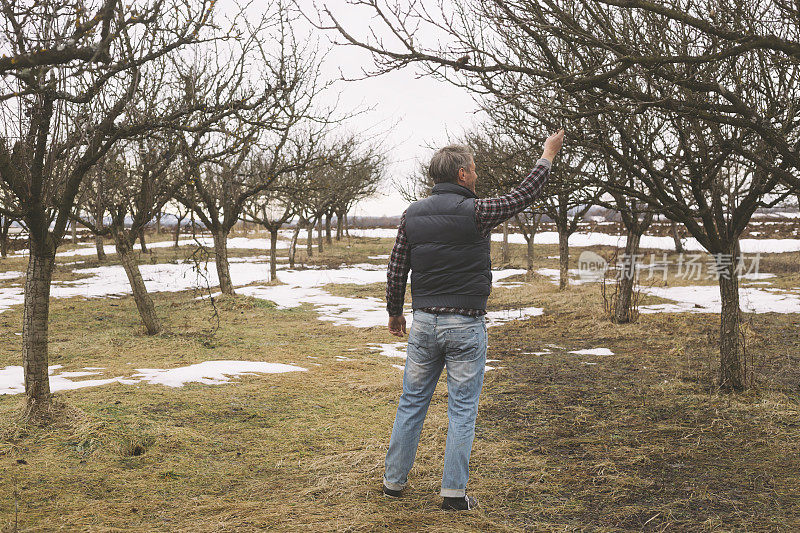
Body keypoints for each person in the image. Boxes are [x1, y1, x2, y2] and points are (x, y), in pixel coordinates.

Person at [382, 129, 565, 511]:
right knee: (462, 409)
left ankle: (393, 483)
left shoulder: (411, 215)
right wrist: (547, 154)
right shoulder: (476, 212)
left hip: (425, 324)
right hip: (465, 324)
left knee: (411, 403)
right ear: (462, 175)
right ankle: (453, 494)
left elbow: (397, 266)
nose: (477, 176)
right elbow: (523, 195)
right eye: (475, 170)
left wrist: (395, 311)